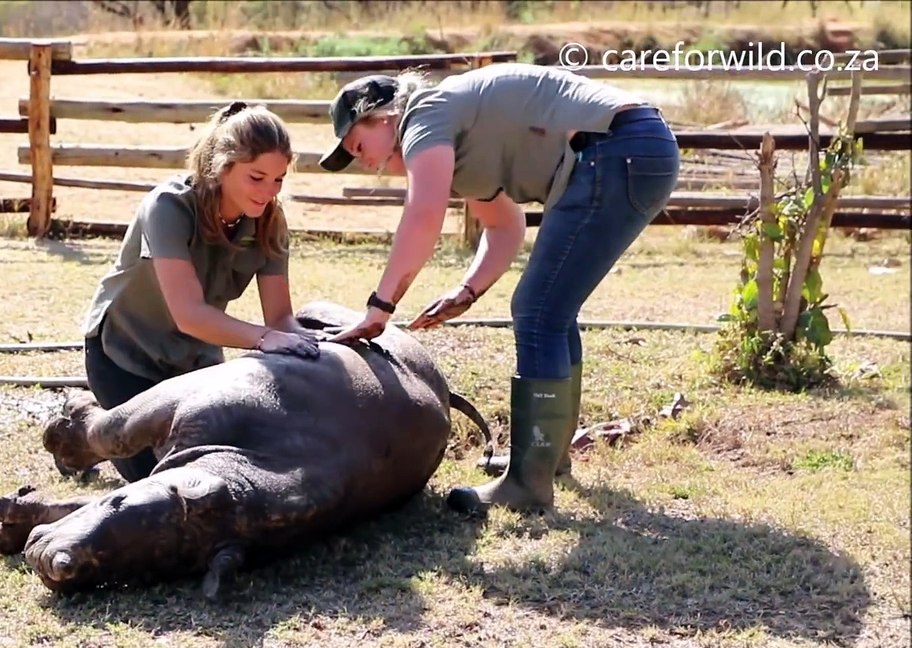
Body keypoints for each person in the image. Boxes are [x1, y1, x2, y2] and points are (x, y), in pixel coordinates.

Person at [317, 62, 680, 517]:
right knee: (552, 310)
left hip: (615, 149)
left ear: (385, 116)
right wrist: (467, 291)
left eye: (359, 145)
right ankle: (545, 459)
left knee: (538, 312)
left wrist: (379, 307)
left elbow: (423, 214)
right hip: (636, 148)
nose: (365, 162)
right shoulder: (459, 134)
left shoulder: (425, 114)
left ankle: (528, 483)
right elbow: (504, 226)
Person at [81, 101, 321, 483]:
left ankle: (100, 429)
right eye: (256, 177)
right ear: (223, 166)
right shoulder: (168, 206)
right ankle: (82, 424)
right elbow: (189, 314)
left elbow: (280, 319)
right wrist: (264, 339)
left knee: (212, 472)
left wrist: (316, 343)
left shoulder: (270, 221)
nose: (268, 192)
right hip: (125, 354)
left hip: (194, 363)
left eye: (278, 180)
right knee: (156, 480)